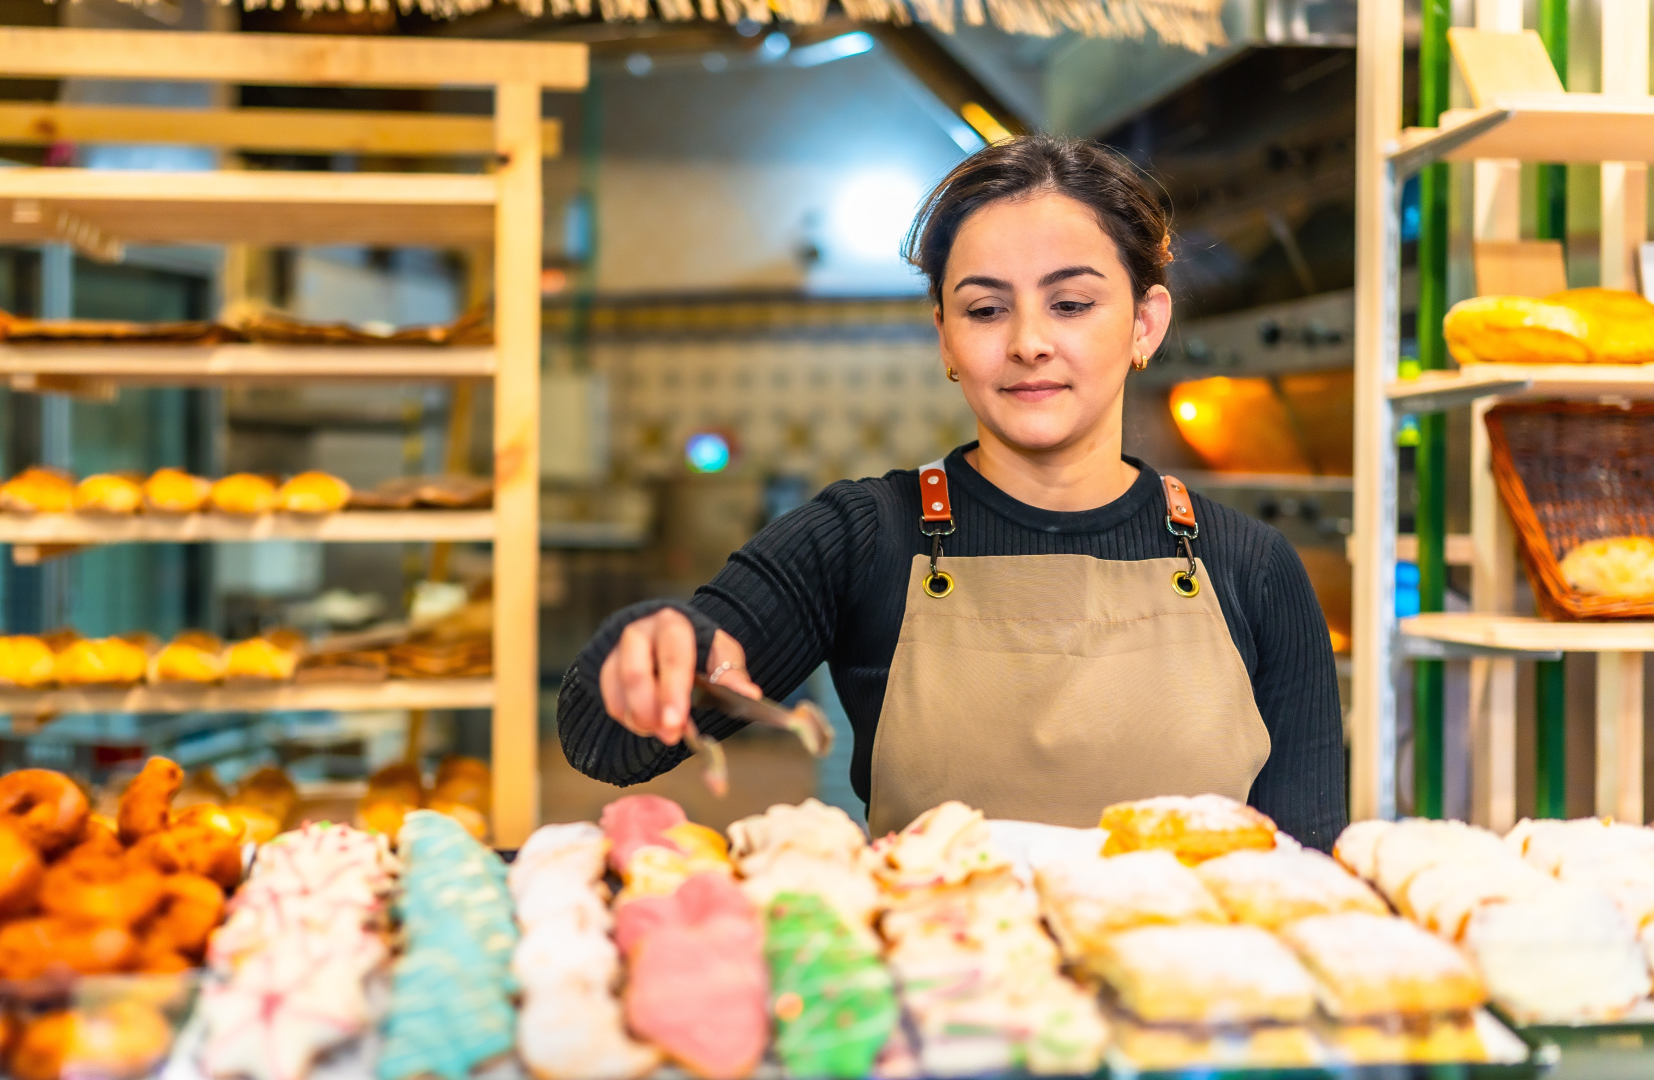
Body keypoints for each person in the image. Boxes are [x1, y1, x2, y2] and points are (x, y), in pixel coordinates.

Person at [556, 133, 1346, 850]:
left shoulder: (1255, 567)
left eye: (1071, 304)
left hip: (1188, 998)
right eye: (985, 308)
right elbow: (605, 743)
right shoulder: (863, 537)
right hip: (944, 995)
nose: (1029, 342)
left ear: (1145, 323)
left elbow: (1306, 867)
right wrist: (652, 649)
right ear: (944, 336)